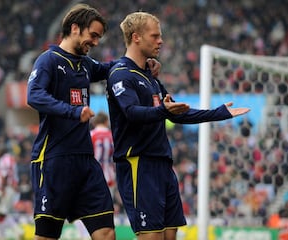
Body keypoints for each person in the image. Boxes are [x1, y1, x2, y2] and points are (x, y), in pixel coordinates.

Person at [106, 11, 250, 240]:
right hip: (138, 164)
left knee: (170, 236)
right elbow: (132, 113)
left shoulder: (150, 77)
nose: (160, 41)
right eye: (155, 36)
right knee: (151, 237)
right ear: (136, 37)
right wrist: (164, 110)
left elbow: (177, 114)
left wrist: (219, 113)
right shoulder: (121, 75)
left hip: (163, 163)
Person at [26, 4, 161, 240]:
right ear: (75, 28)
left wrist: (142, 63)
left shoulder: (86, 65)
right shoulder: (48, 60)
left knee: (107, 233)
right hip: (54, 160)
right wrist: (72, 112)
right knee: (47, 236)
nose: (96, 42)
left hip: (86, 163)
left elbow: (112, 68)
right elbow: (34, 95)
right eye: (93, 35)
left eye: (99, 37)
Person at [90, 111, 115, 192]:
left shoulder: (91, 135)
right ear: (106, 121)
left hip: (93, 177)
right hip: (110, 176)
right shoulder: (112, 135)